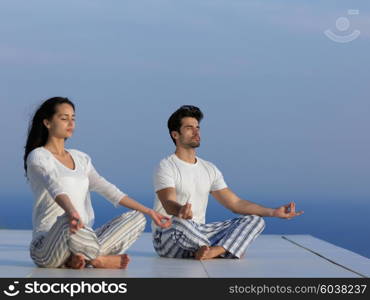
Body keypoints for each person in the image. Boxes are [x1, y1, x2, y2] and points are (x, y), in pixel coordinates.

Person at [24, 97, 171, 269]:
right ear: (47, 123)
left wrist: (149, 211)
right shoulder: (39, 156)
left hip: (82, 237)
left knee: (137, 218)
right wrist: (71, 212)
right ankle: (96, 259)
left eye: (73, 118)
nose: (70, 123)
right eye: (64, 118)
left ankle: (79, 258)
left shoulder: (81, 158)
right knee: (68, 221)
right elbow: (53, 186)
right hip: (47, 245)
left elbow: (108, 189)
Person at [152, 105, 304, 260]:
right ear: (175, 134)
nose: (197, 132)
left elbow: (235, 203)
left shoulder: (209, 169)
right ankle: (225, 248)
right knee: (179, 223)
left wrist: (273, 212)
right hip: (169, 235)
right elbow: (168, 202)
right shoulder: (166, 166)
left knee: (255, 220)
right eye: (189, 128)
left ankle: (212, 251)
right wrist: (180, 210)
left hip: (199, 233)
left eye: (198, 127)